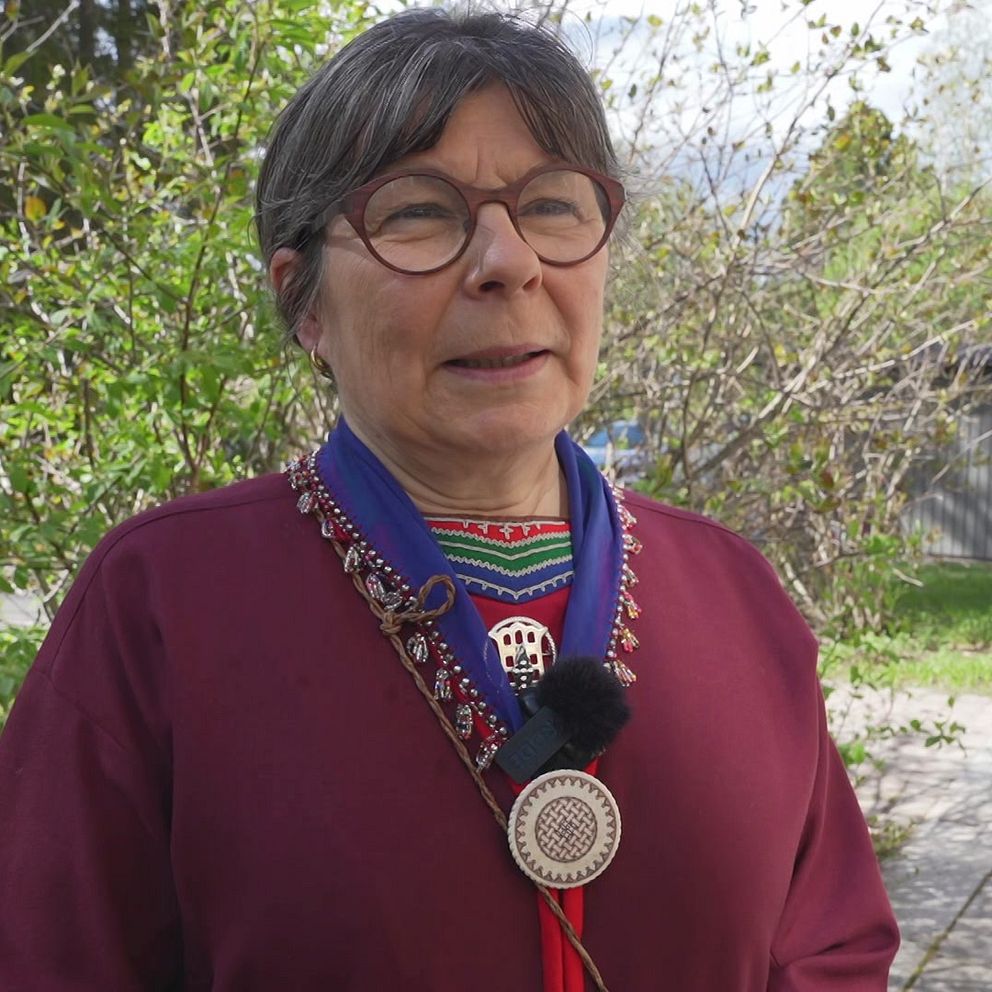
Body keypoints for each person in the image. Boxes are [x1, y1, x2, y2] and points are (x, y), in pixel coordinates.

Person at [0, 7, 899, 991]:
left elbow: (832, 949)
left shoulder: (733, 594)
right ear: (304, 302)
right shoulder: (163, 602)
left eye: (552, 205)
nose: (508, 263)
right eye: (418, 213)